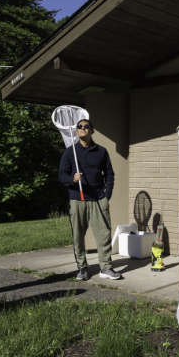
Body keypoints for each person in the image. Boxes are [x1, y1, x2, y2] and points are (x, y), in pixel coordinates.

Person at [59, 118, 120, 281]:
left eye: (86, 126)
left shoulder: (101, 151)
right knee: (78, 236)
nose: (83, 129)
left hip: (98, 198)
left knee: (104, 235)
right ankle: (82, 268)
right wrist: (72, 179)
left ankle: (106, 268)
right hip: (77, 199)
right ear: (76, 131)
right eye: (80, 127)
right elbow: (61, 176)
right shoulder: (70, 152)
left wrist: (107, 196)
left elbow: (109, 174)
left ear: (91, 130)